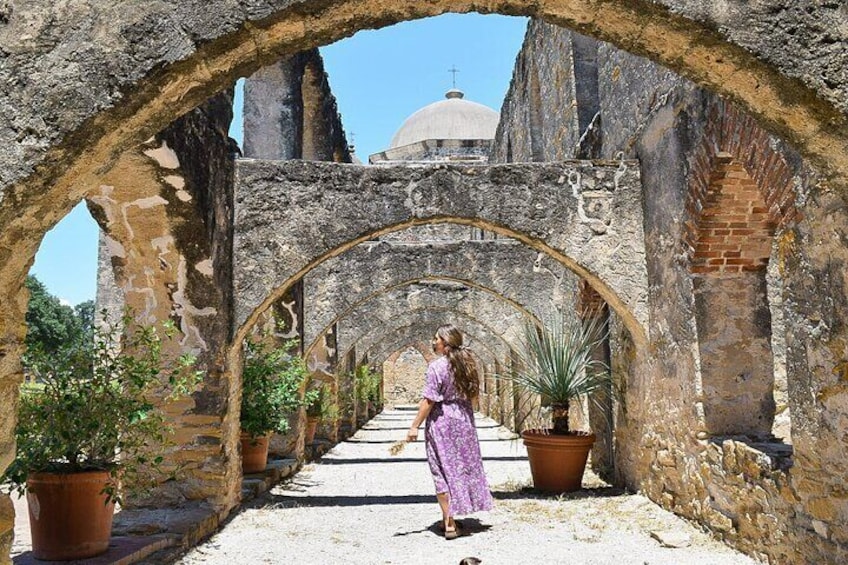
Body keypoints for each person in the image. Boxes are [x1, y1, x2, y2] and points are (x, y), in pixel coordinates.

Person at [406, 324, 494, 540]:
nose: (433, 342)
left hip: (442, 421)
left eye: (436, 338)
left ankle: (449, 523)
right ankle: (461, 509)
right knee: (463, 466)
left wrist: (414, 425)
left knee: (441, 469)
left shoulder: (437, 367)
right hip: (463, 420)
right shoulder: (468, 365)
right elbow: (474, 396)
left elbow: (429, 400)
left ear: (445, 343)